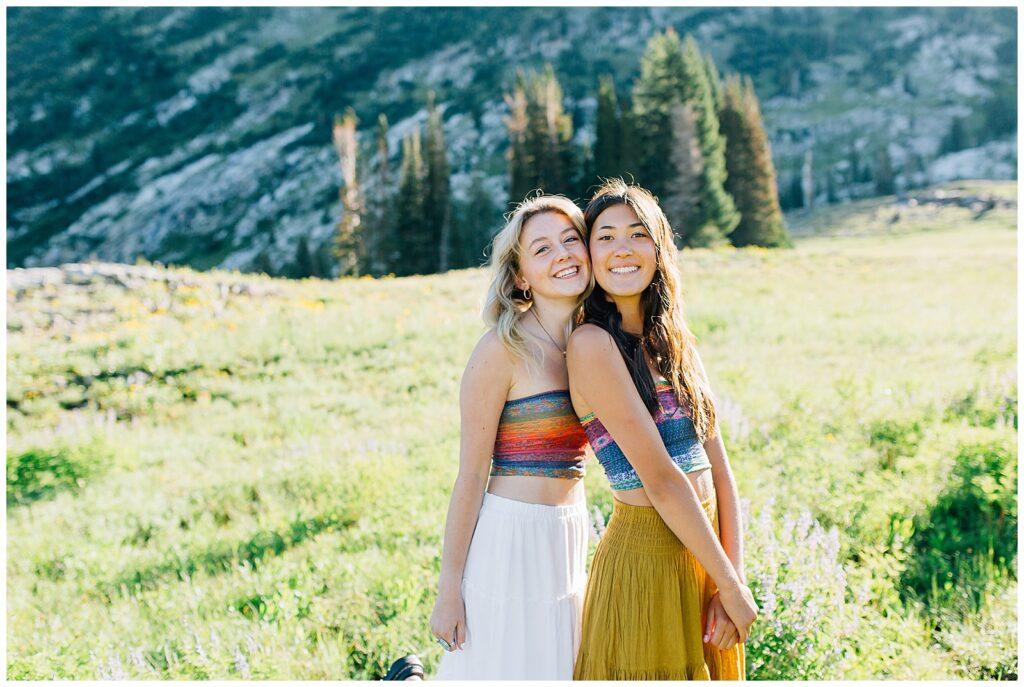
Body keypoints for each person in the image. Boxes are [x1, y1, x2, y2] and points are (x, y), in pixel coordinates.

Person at [568, 179, 758, 680]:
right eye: (605, 237)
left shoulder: (674, 340)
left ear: (659, 247)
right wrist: (734, 589)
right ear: (588, 254)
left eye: (637, 234)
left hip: (704, 557)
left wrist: (727, 581)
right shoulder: (590, 344)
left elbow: (721, 472)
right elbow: (662, 480)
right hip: (645, 558)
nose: (622, 249)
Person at [429, 194, 594, 680]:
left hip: (570, 533)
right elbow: (470, 475)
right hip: (511, 539)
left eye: (571, 240)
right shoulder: (501, 349)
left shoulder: (596, 341)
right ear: (520, 276)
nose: (562, 254)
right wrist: (449, 589)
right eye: (541, 249)